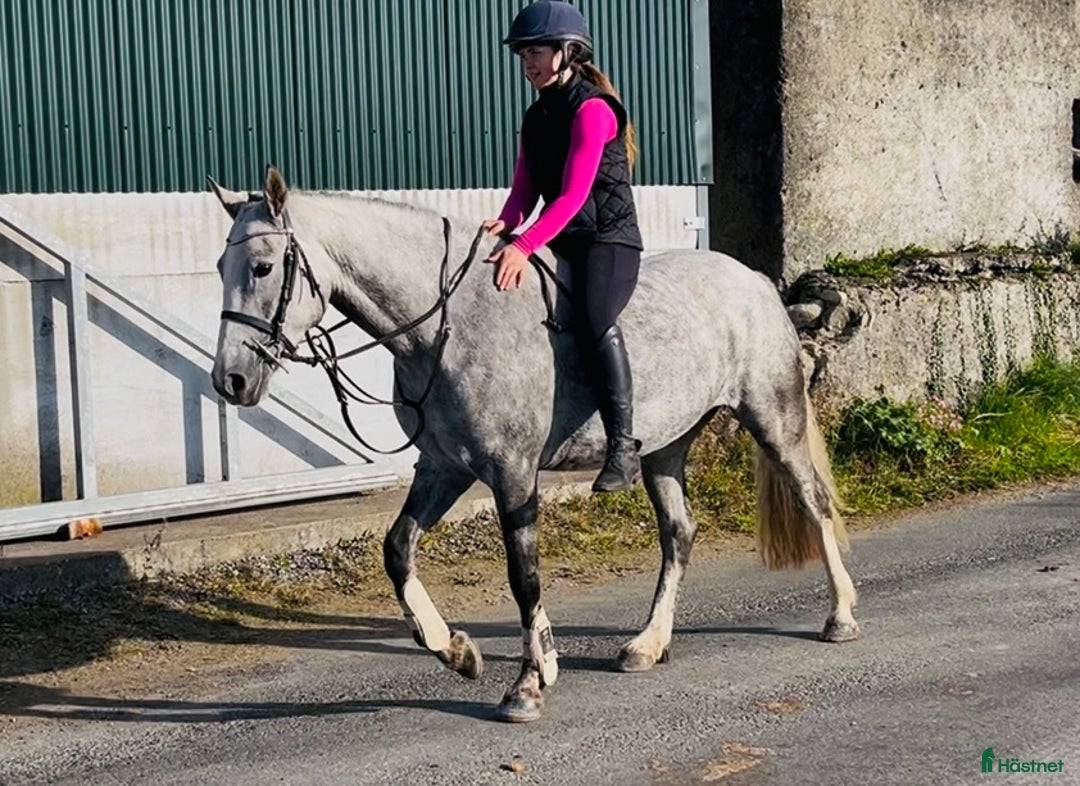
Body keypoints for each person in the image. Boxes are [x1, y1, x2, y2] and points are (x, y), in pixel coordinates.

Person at [483, 0, 644, 494]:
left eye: (536, 51)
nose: (528, 62)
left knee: (595, 317)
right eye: (522, 54)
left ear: (568, 51)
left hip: (608, 240)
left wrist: (525, 244)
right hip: (565, 238)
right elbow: (523, 194)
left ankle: (623, 444)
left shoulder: (593, 109)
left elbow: (574, 196)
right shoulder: (536, 117)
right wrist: (502, 228)